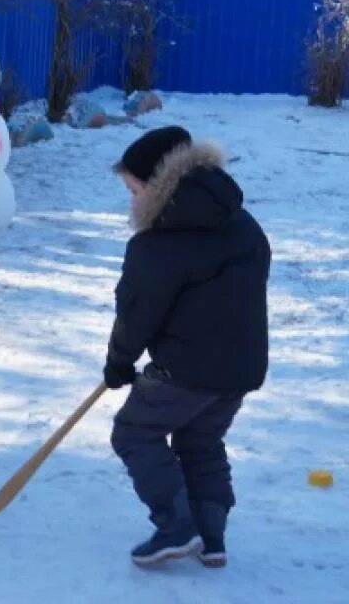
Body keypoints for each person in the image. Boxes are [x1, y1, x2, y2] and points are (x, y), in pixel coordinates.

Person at [103, 126, 270, 568]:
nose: (130, 199)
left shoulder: (157, 245)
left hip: (185, 371)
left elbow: (136, 313)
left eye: (133, 188)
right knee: (201, 440)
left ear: (157, 186)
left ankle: (176, 524)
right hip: (241, 369)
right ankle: (211, 535)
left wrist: (118, 363)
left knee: (135, 431)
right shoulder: (243, 224)